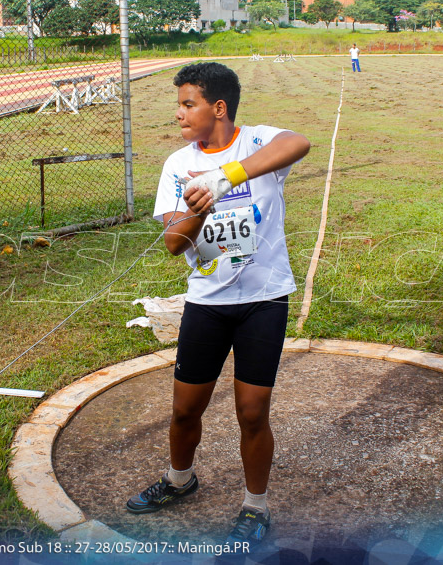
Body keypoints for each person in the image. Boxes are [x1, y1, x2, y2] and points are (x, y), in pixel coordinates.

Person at [126, 62, 310, 552]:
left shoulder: (257, 142)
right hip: (207, 303)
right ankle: (179, 478)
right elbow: (172, 243)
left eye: (189, 104)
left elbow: (299, 143)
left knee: (253, 412)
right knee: (186, 409)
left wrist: (227, 177)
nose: (180, 114)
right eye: (180, 105)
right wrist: (196, 208)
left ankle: (255, 506)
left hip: (263, 301)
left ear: (219, 107)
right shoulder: (176, 164)